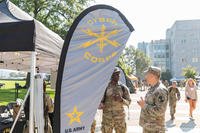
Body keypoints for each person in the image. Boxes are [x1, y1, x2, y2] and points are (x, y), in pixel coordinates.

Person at [137, 66, 168, 133]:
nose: (146, 77)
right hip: (149, 127)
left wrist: (144, 106)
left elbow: (160, 111)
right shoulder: (153, 88)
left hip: (156, 129)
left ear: (153, 76)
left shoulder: (160, 90)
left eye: (147, 75)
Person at [100, 67, 131, 133]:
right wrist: (101, 105)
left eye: (119, 74)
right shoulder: (105, 87)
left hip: (120, 119)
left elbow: (129, 102)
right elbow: (100, 102)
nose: (118, 76)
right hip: (107, 118)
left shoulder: (123, 87)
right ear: (111, 75)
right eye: (116, 74)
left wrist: (121, 100)